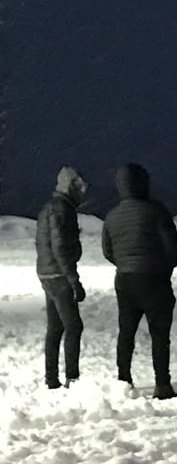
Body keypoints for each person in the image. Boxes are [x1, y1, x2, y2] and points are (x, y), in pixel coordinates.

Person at [102, 163, 177, 400]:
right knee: (159, 334)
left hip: (125, 280)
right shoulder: (156, 211)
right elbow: (172, 245)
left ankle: (124, 379)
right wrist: (165, 268)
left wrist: (125, 263)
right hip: (155, 278)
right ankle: (162, 384)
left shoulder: (112, 215)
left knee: (126, 332)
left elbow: (108, 250)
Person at [36, 166, 88, 389]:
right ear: (71, 187)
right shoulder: (62, 210)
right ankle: (72, 379)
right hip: (58, 275)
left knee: (56, 327)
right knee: (73, 326)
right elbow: (60, 247)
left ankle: (51, 378)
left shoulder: (49, 207)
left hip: (47, 273)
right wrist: (73, 279)